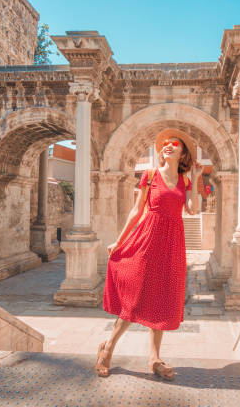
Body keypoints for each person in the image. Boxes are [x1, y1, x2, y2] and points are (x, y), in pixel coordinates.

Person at [95, 128, 203, 380]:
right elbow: (136, 211)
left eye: (174, 143)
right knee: (136, 295)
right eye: (165, 143)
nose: (168, 145)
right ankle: (108, 347)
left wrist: (196, 179)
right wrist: (119, 241)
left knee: (163, 297)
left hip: (172, 242)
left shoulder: (185, 180)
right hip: (148, 237)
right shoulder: (150, 174)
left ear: (182, 152)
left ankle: (155, 358)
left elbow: (192, 209)